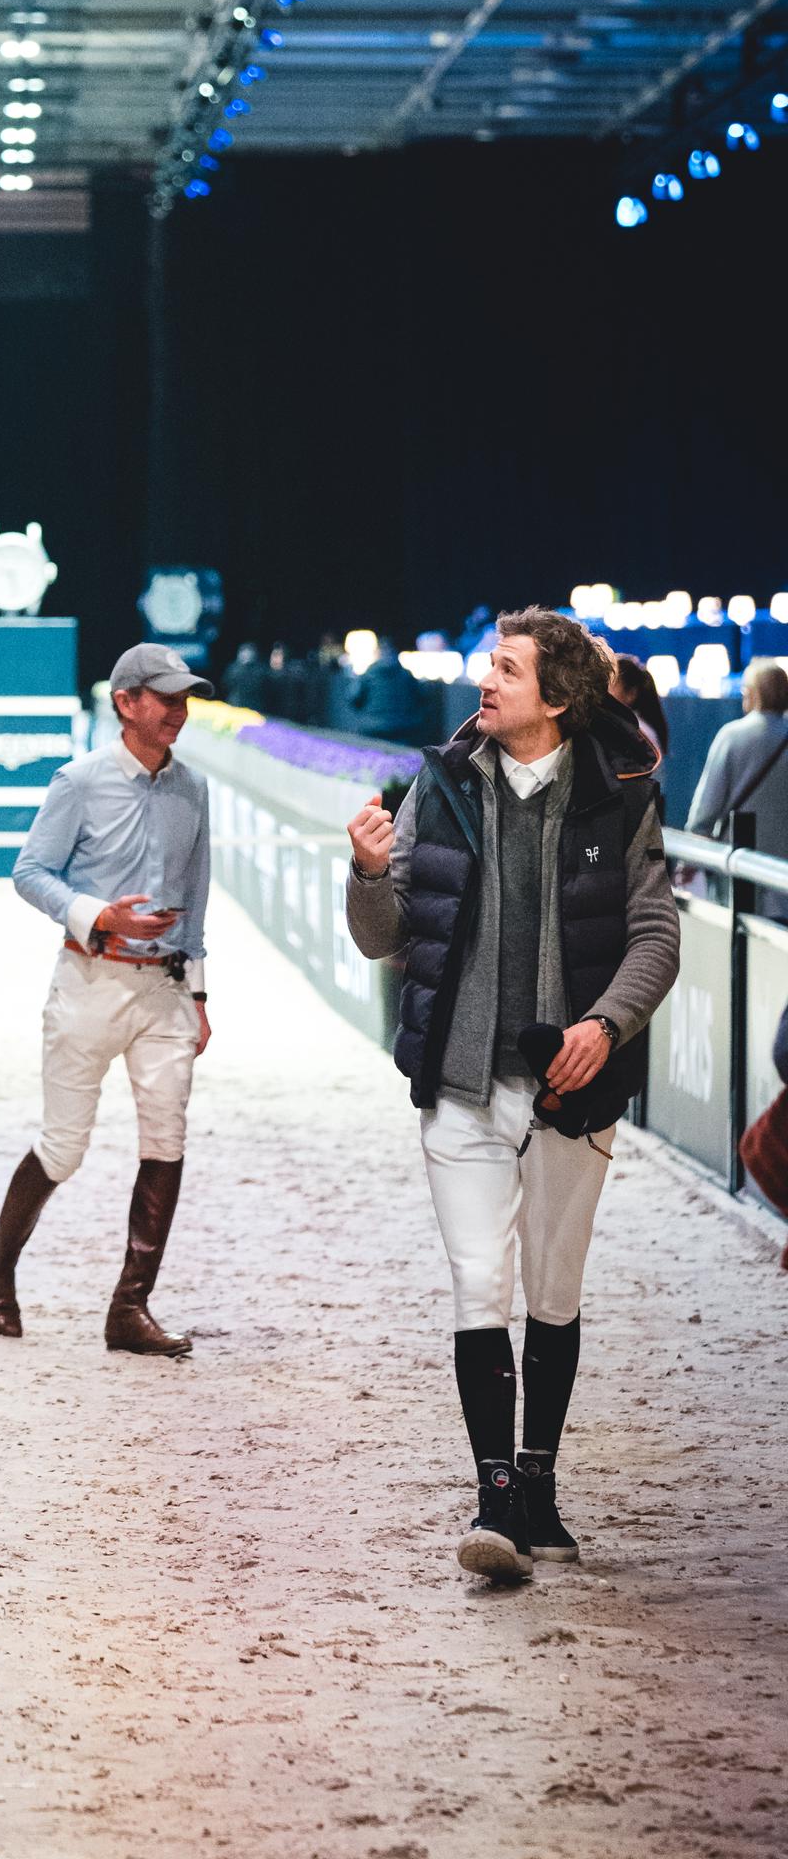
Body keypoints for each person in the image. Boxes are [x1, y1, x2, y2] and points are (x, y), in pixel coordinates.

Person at [344, 608, 680, 1584]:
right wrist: (366, 872)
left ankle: (539, 1481)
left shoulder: (621, 795)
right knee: (478, 1284)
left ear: (560, 698)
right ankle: (495, 1495)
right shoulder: (434, 787)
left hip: (572, 1093)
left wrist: (601, 1027)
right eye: (488, 664)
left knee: (554, 1290)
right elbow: (381, 933)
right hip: (457, 1083)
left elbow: (654, 937)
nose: (483, 682)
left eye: (506, 669)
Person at [0, 644, 213, 1358]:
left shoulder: (193, 789)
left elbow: (196, 897)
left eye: (184, 698)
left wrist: (199, 995)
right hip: (89, 981)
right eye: (165, 697)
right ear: (126, 701)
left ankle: (129, 1308)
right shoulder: (77, 781)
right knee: (65, 1147)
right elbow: (29, 872)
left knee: (166, 1137)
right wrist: (98, 914)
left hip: (166, 989)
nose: (179, 710)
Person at [686, 659, 788, 923]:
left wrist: (691, 856)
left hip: (740, 874)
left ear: (753, 694)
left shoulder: (732, 736)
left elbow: (706, 809)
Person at [347, 635, 428, 743]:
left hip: (372, 727)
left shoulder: (369, 673)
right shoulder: (406, 674)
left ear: (378, 652)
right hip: (402, 727)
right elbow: (422, 697)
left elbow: (353, 698)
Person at [609, 652, 668, 777]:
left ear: (631, 694)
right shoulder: (630, 728)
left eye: (611, 685)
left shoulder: (636, 732)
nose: (603, 692)